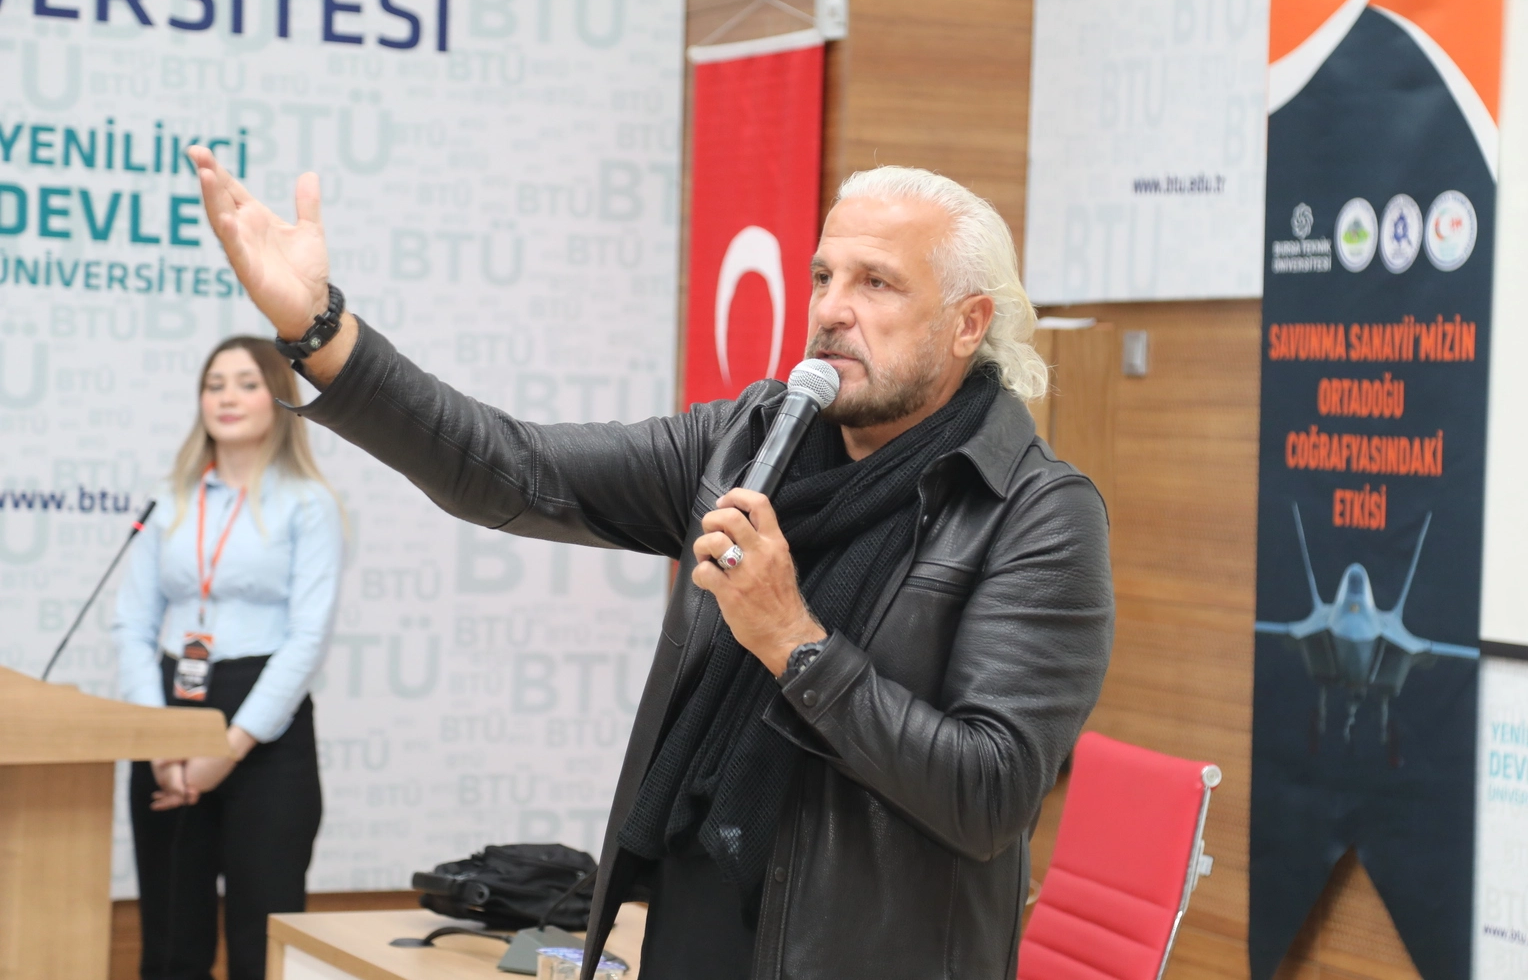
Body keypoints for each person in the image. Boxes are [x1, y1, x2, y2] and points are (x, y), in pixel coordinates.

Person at [188, 145, 1114, 979]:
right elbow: (513, 467)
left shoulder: (1035, 512)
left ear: (967, 324)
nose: (832, 309)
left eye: (877, 284)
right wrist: (321, 330)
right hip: (691, 919)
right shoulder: (749, 441)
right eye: (824, 275)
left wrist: (794, 640)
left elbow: (990, 794)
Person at [113, 336, 344, 980]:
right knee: (170, 942)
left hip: (265, 727)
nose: (227, 397)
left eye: (246, 383)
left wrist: (230, 747)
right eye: (214, 384)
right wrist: (158, 742)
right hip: (170, 713)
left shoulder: (308, 503)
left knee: (259, 942)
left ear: (279, 399)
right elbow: (132, 623)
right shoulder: (170, 497)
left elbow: (308, 638)